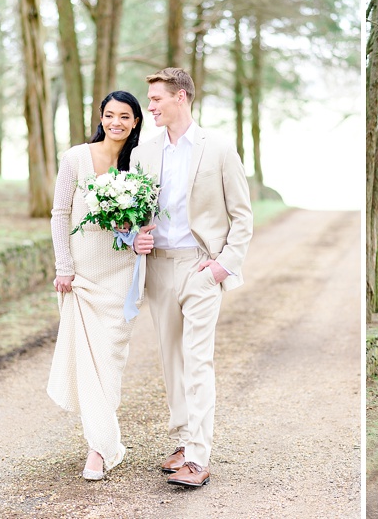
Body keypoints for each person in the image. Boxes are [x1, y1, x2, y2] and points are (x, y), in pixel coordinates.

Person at [131, 67, 253, 488]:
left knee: (198, 360)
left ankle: (199, 457)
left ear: (181, 97)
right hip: (158, 268)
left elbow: (241, 215)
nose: (150, 107)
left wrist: (223, 265)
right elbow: (133, 217)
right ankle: (183, 441)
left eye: (157, 99)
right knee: (171, 360)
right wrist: (134, 240)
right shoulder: (143, 153)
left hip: (201, 267)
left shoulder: (218, 147)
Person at [47, 91, 145, 480]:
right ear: (100, 118)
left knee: (109, 359)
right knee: (88, 360)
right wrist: (64, 266)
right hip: (82, 275)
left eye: (124, 116)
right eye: (109, 115)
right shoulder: (75, 158)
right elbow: (59, 214)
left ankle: (102, 444)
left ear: (136, 121)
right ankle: (100, 449)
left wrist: (132, 228)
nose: (116, 122)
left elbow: (146, 218)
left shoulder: (139, 163)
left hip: (121, 273)